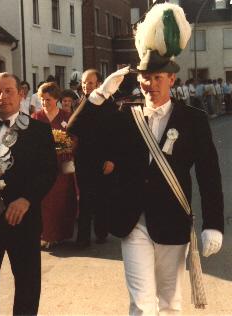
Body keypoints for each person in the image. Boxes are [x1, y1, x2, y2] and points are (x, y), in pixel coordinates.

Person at [83, 4, 223, 314]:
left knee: (170, 303)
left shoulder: (193, 119)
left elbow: (209, 174)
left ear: (172, 80)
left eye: (158, 77)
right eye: (145, 77)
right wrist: (99, 95)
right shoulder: (124, 115)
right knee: (141, 303)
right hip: (133, 221)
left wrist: (214, 224)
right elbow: (79, 134)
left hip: (173, 219)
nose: (150, 84)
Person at [0, 72, 57, 315]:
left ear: (21, 94)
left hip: (24, 219)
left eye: (9, 91)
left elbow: (48, 172)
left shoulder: (38, 130)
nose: (3, 96)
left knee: (27, 284)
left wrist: (27, 199)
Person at [67, 68, 116, 246]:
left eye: (90, 83)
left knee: (102, 197)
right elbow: (72, 128)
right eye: (83, 83)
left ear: (99, 84)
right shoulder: (80, 103)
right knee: (86, 198)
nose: (86, 86)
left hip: (103, 158)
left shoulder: (109, 104)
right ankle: (83, 238)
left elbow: (114, 135)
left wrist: (111, 159)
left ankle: (102, 232)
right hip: (84, 157)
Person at [32, 82, 77, 249]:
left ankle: (60, 234)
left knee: (62, 199)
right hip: (43, 165)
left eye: (48, 99)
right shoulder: (36, 117)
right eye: (42, 99)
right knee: (45, 200)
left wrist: (64, 145)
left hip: (62, 163)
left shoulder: (66, 116)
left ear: (56, 99)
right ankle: (45, 235)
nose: (45, 103)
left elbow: (74, 138)